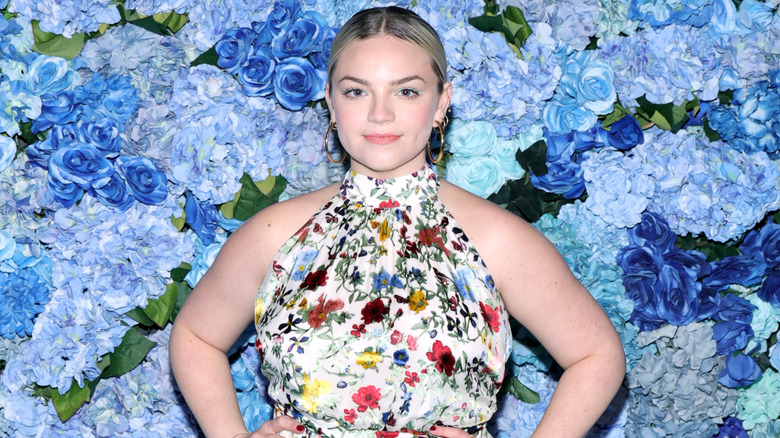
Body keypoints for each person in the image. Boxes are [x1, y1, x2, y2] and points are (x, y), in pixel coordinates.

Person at [170, 6, 625, 438]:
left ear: (442, 101)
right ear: (330, 101)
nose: (380, 113)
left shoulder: (497, 240)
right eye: (356, 91)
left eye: (406, 90)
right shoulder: (274, 236)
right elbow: (194, 337)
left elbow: (597, 355)